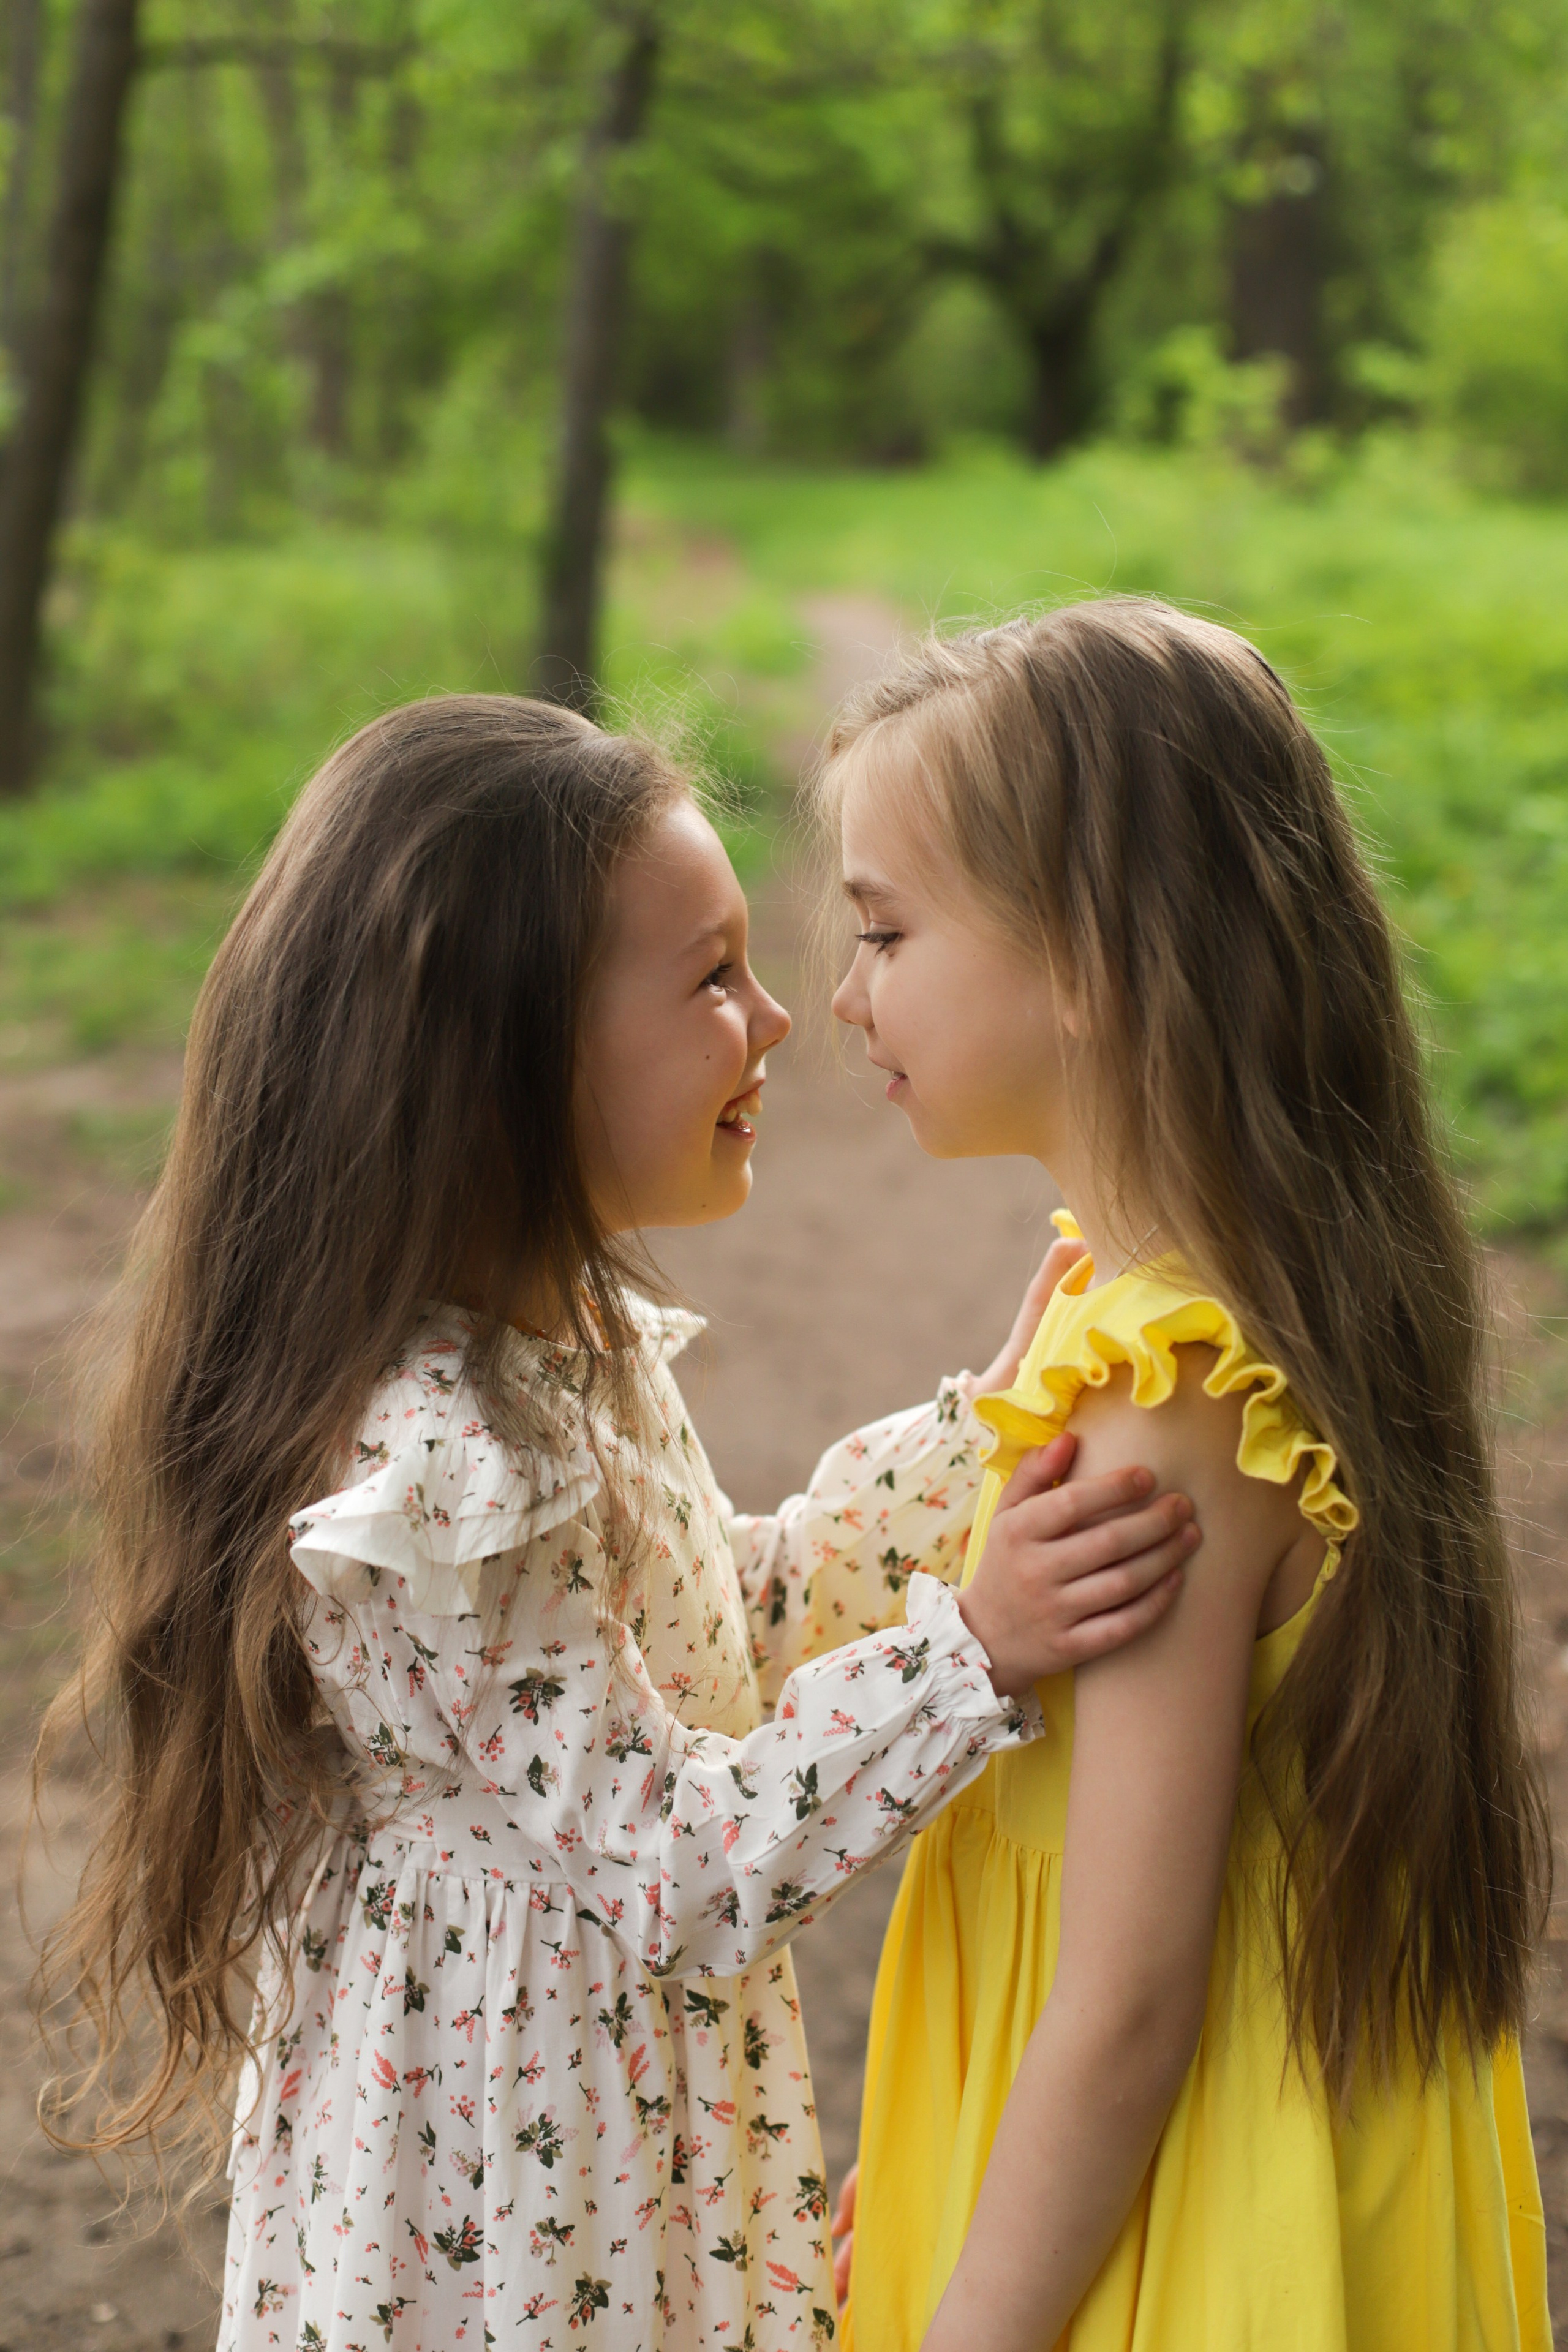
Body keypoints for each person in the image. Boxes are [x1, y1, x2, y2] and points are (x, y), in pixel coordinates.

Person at [35, 696, 1196, 2351]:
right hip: (502, 2198)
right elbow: (683, 1865)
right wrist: (969, 1657)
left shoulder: (554, 1355)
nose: (782, 1018)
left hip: (600, 2139)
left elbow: (731, 1621)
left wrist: (971, 1442)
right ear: (500, 1054)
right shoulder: (434, 1474)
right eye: (714, 978)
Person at [818, 601, 1553, 2352]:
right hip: (1203, 2135)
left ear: (1084, 956)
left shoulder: (1168, 1396)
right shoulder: (1255, 1297)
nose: (845, 999)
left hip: (1200, 2202)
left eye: (887, 933)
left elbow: (1134, 1996)